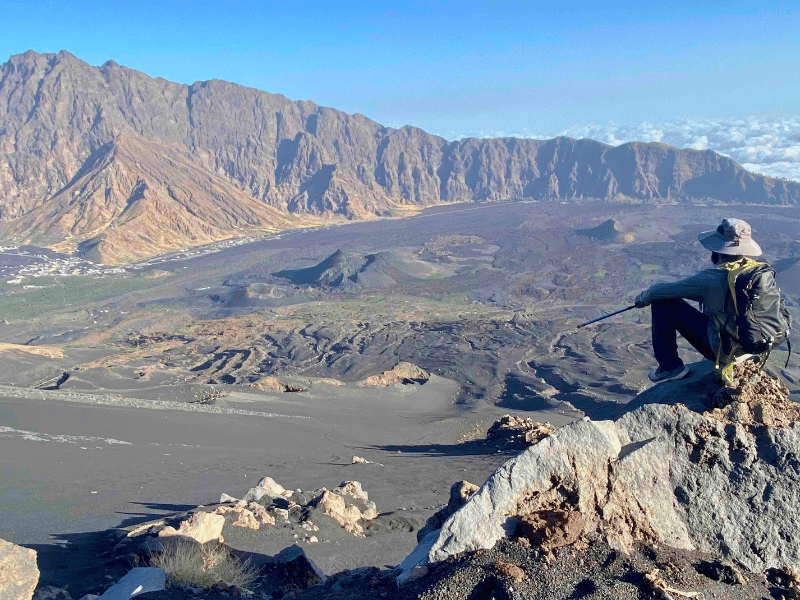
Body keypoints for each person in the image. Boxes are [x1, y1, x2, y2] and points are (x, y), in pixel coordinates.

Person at [634, 218, 762, 383]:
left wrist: (643, 297)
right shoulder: (755, 271)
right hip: (753, 347)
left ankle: (670, 367)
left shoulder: (714, 277)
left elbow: (662, 291)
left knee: (663, 303)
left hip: (726, 350)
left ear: (718, 250)